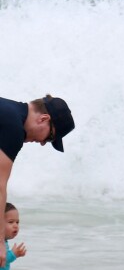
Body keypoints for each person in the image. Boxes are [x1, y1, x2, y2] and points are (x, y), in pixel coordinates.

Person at [0, 94, 75, 267]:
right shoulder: (14, 128)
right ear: (43, 119)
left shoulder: (8, 110)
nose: (42, 143)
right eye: (49, 138)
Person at [0, 203, 26, 270]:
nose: (15, 225)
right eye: (11, 222)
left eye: (17, 222)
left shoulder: (4, 241)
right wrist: (12, 254)